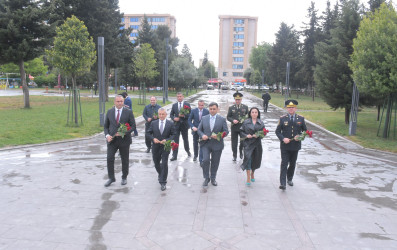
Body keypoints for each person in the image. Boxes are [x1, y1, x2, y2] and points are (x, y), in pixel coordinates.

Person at [103, 95, 136, 187]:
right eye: (118, 101)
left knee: (125, 159)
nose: (120, 103)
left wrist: (124, 133)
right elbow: (106, 126)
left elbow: (133, 126)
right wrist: (107, 135)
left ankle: (124, 177)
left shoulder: (128, 112)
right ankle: (111, 178)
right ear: (114, 102)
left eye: (121, 101)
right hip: (112, 140)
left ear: (123, 102)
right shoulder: (109, 112)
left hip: (124, 140)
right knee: (109, 158)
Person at [275, 99, 307, 190]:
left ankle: (289, 178)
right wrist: (283, 138)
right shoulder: (282, 118)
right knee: (284, 163)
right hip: (285, 145)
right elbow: (277, 131)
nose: (291, 109)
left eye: (292, 107)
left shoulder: (301, 118)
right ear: (287, 109)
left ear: (295, 108)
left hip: (295, 146)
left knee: (292, 163)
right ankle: (283, 183)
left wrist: (300, 136)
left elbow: (305, 131)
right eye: (289, 108)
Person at [197, 102, 229, 187]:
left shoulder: (222, 119)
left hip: (217, 144)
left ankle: (213, 178)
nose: (212, 110)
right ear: (209, 109)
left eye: (214, 109)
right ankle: (206, 178)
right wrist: (202, 135)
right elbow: (199, 130)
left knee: (215, 162)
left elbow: (226, 132)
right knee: (205, 160)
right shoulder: (204, 118)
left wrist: (219, 136)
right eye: (210, 109)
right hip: (205, 143)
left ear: (217, 109)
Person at [146, 108, 175, 191]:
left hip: (166, 146)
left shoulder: (170, 123)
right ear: (158, 115)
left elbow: (174, 134)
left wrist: (167, 140)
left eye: (163, 114)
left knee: (165, 162)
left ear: (166, 114)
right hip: (155, 146)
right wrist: (153, 139)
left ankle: (163, 182)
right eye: (160, 114)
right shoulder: (153, 123)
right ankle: (160, 173)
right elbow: (148, 133)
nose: (161, 116)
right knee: (156, 162)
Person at [240, 107, 266, 186]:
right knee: (248, 159)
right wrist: (246, 135)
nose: (254, 114)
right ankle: (248, 176)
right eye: (252, 112)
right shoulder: (245, 122)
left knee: (255, 160)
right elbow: (241, 132)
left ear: (258, 114)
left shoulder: (261, 123)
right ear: (250, 113)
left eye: (256, 112)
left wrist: (258, 135)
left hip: (257, 144)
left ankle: (252, 173)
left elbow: (264, 133)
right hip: (248, 144)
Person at [227, 92, 249, 161]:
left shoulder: (245, 107)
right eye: (236, 99)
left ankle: (241, 152)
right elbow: (228, 117)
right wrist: (233, 120)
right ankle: (234, 155)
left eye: (239, 99)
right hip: (234, 128)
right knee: (234, 142)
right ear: (234, 99)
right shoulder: (231, 108)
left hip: (242, 128)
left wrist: (245, 121)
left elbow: (248, 117)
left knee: (242, 142)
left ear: (241, 99)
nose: (237, 101)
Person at [170, 92, 191, 161]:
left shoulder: (187, 104)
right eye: (178, 96)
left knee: (185, 139)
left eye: (180, 96)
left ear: (183, 97)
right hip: (176, 125)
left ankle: (188, 151)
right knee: (175, 141)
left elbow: (190, 115)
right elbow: (171, 114)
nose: (179, 98)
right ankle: (174, 155)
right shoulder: (174, 105)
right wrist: (174, 118)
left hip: (184, 125)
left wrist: (184, 116)